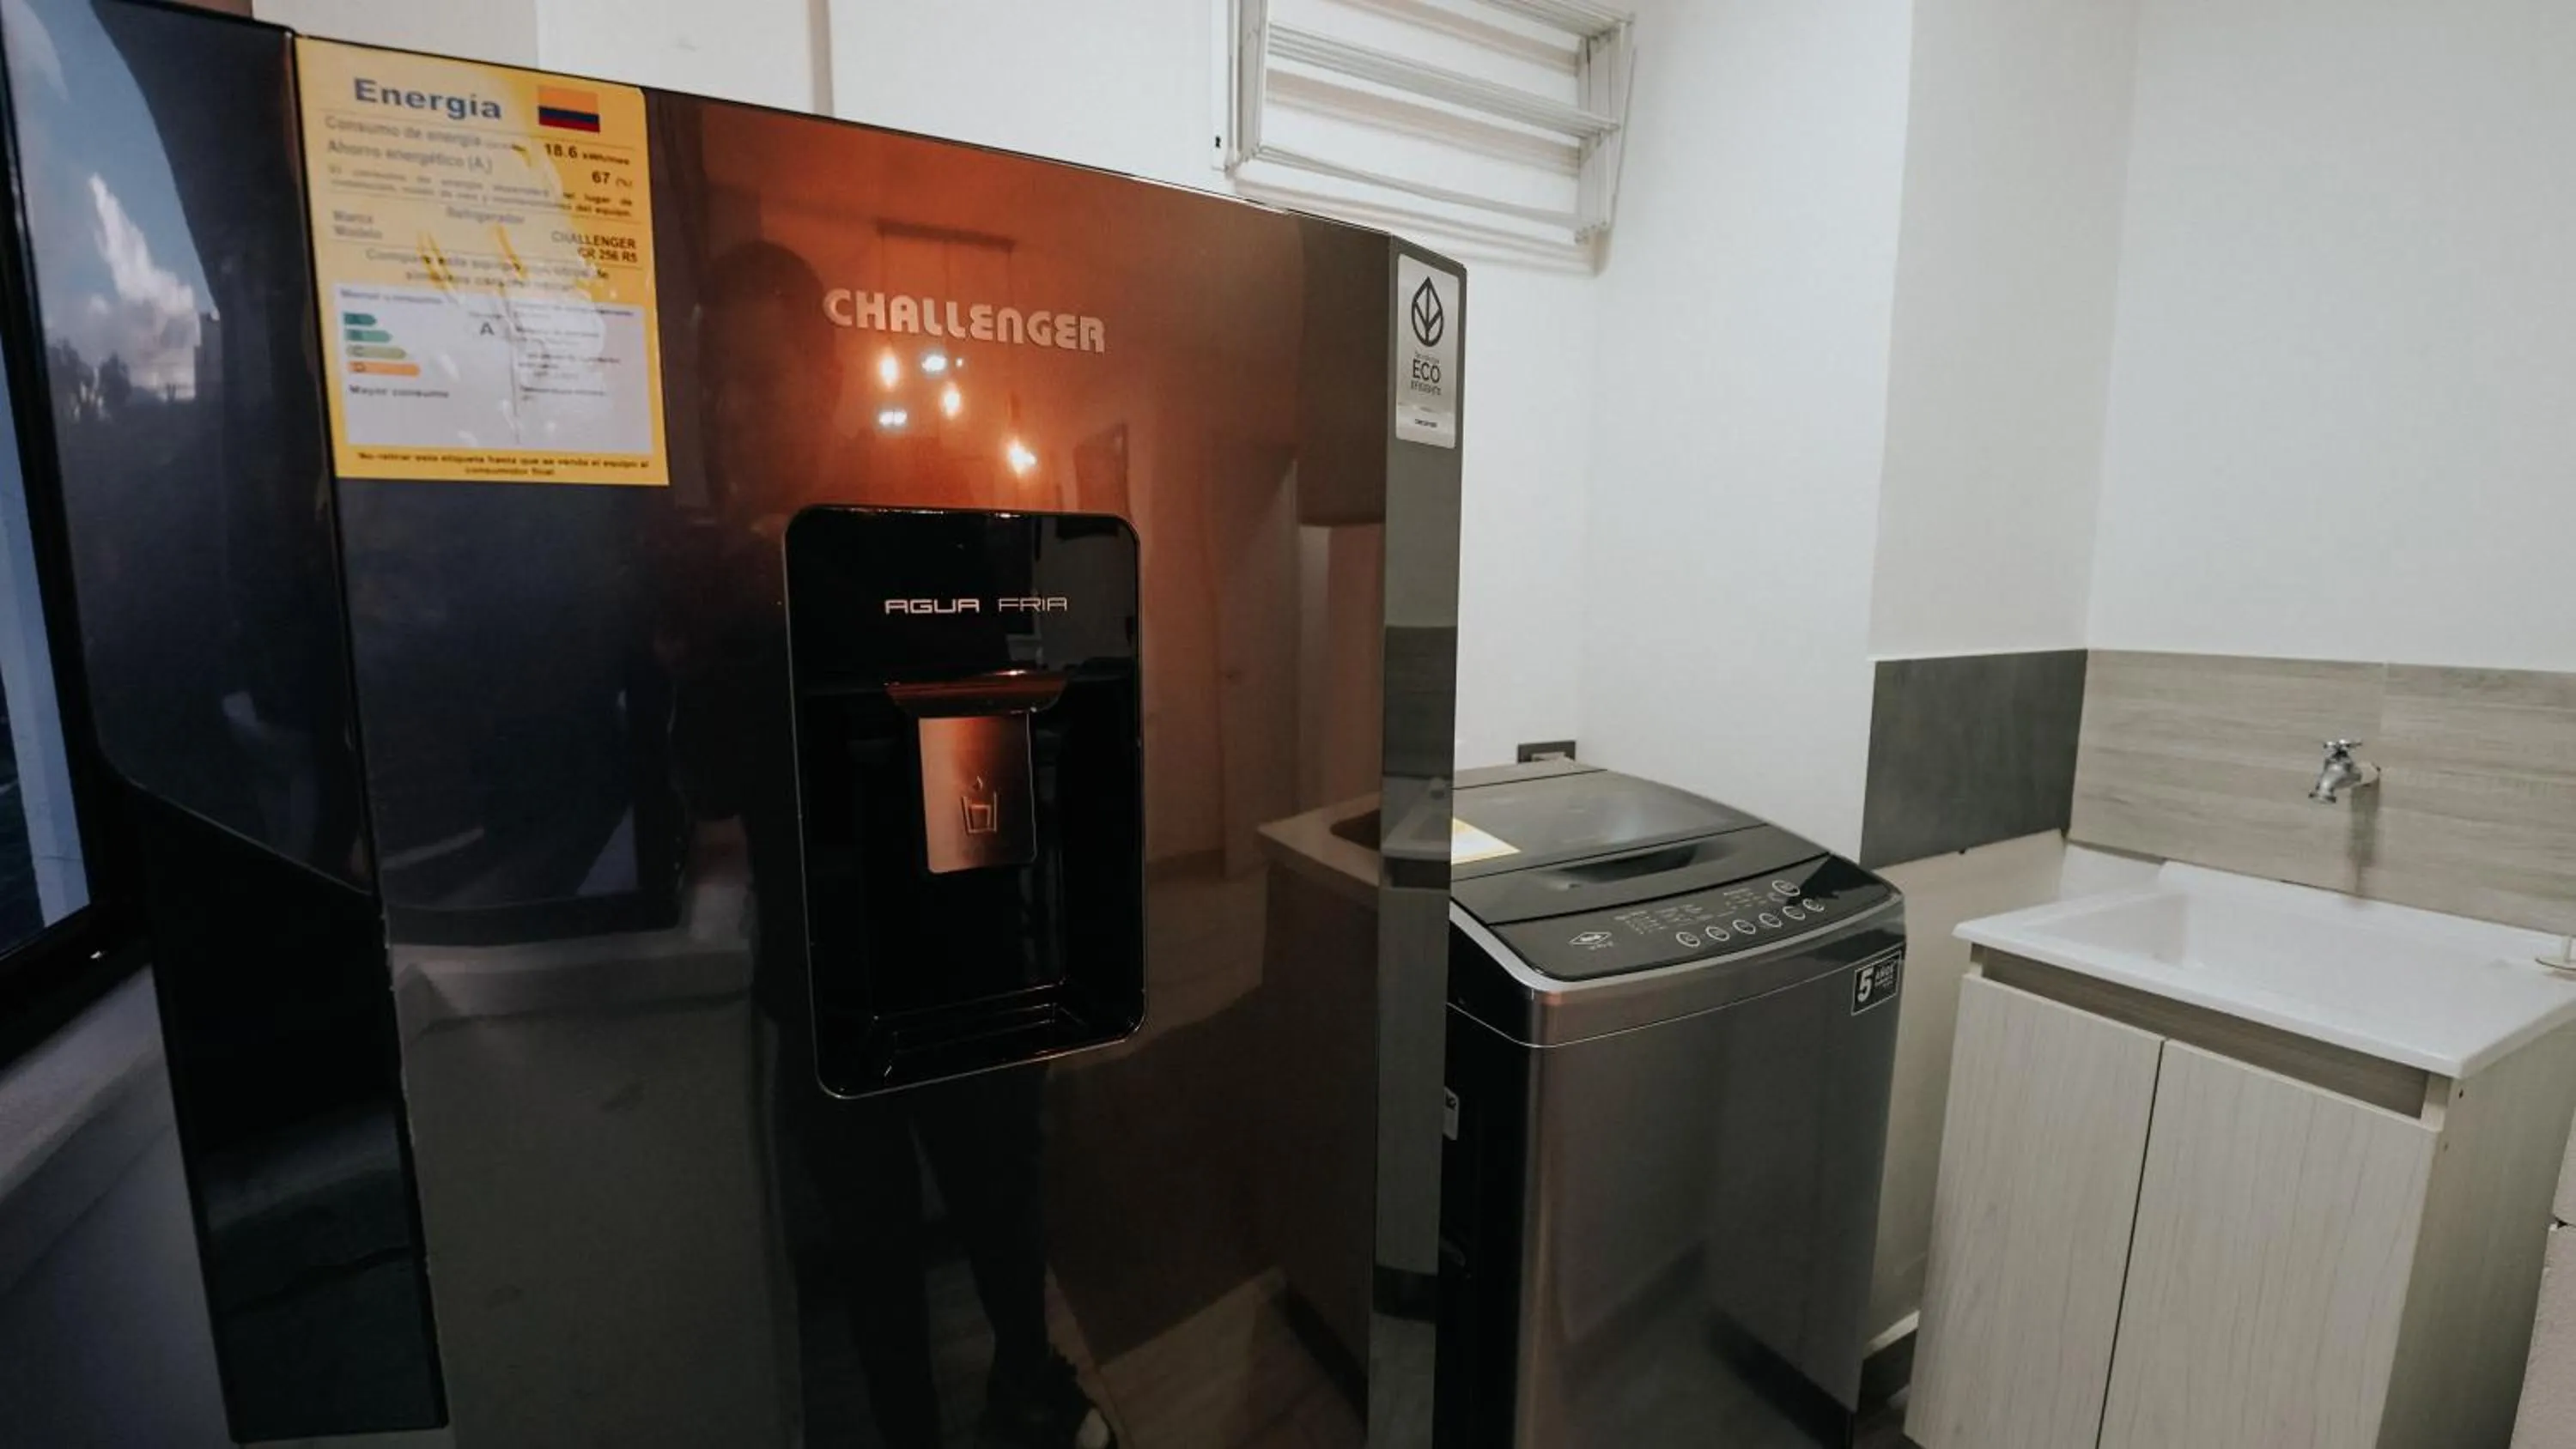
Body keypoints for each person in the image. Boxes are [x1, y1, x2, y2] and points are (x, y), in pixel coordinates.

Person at [682, 239, 1112, 1449]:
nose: (732, 407)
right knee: (871, 1255)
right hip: (825, 987)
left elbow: (999, 735)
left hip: (963, 961)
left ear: (824, 383)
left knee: (999, 1208)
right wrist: (711, 638)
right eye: (717, 380)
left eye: (759, 377)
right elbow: (713, 779)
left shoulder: (926, 521)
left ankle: (1025, 1382)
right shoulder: (733, 583)